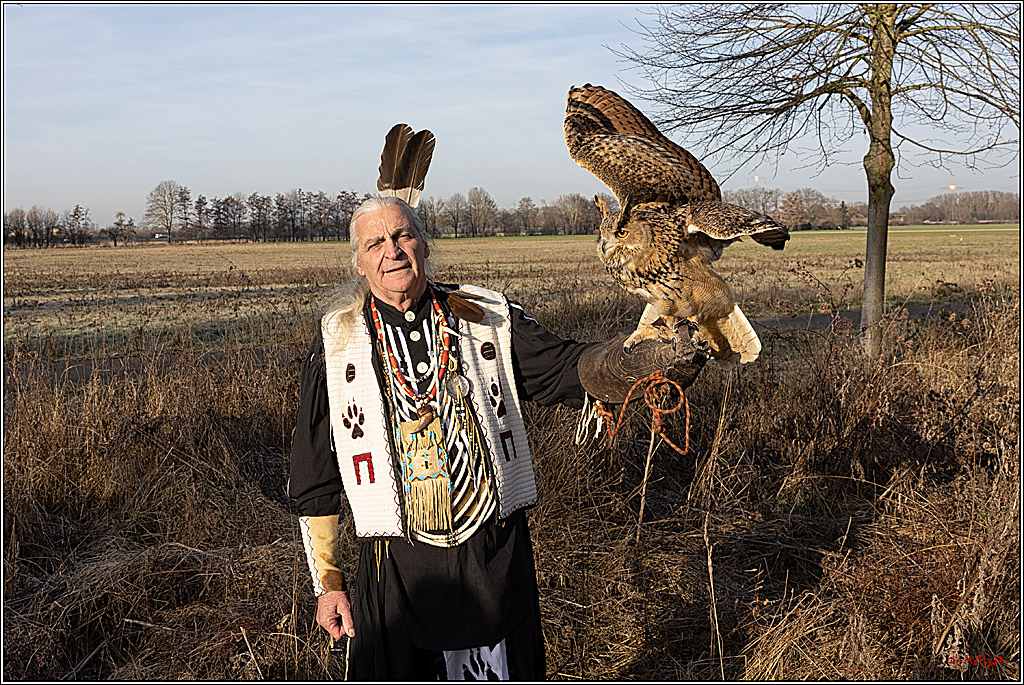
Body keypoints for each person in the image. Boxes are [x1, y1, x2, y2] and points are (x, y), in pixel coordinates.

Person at [288, 195, 703, 680]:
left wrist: (635, 362)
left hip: (491, 550)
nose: (392, 251)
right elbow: (315, 473)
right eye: (374, 243)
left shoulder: (484, 316)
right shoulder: (338, 342)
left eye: (402, 235)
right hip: (396, 564)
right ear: (358, 263)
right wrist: (329, 583)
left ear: (424, 244)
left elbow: (561, 368)